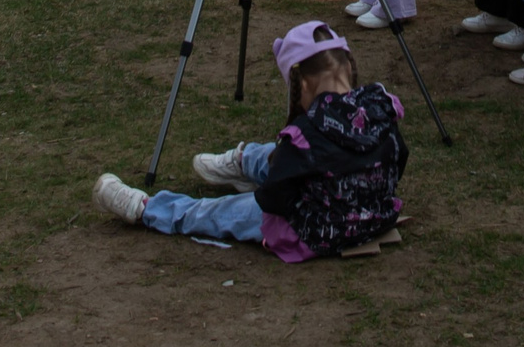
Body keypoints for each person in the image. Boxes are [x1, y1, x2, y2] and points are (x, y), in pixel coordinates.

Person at [91, 21, 407, 259]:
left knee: (217, 212)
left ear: (304, 84)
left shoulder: (306, 135)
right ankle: (244, 162)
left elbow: (271, 198)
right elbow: (400, 156)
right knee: (281, 156)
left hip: (317, 231)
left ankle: (147, 208)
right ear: (349, 68)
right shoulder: (380, 108)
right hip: (374, 218)